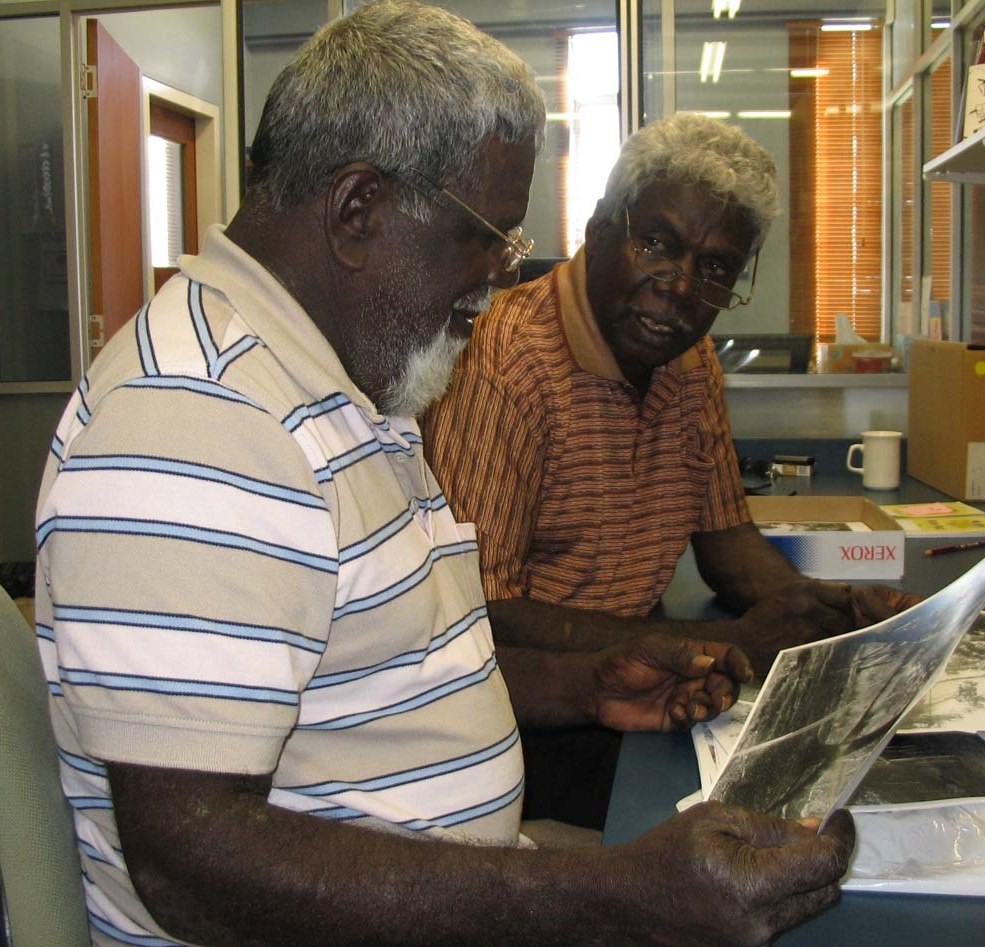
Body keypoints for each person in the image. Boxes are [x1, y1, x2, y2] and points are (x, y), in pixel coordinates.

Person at [33, 3, 854, 945]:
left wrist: (585, 685)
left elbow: (391, 659)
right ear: (358, 210)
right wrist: (603, 895)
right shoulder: (200, 422)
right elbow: (191, 866)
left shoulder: (348, 383)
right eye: (487, 235)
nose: (502, 276)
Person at [422, 112, 918, 827]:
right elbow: (484, 609)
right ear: (598, 228)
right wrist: (729, 643)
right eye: (657, 243)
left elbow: (728, 544)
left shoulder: (690, 363)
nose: (681, 287)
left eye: (716, 268)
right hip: (529, 713)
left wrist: (827, 609)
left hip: (646, 680)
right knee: (766, 829)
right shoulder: (505, 362)